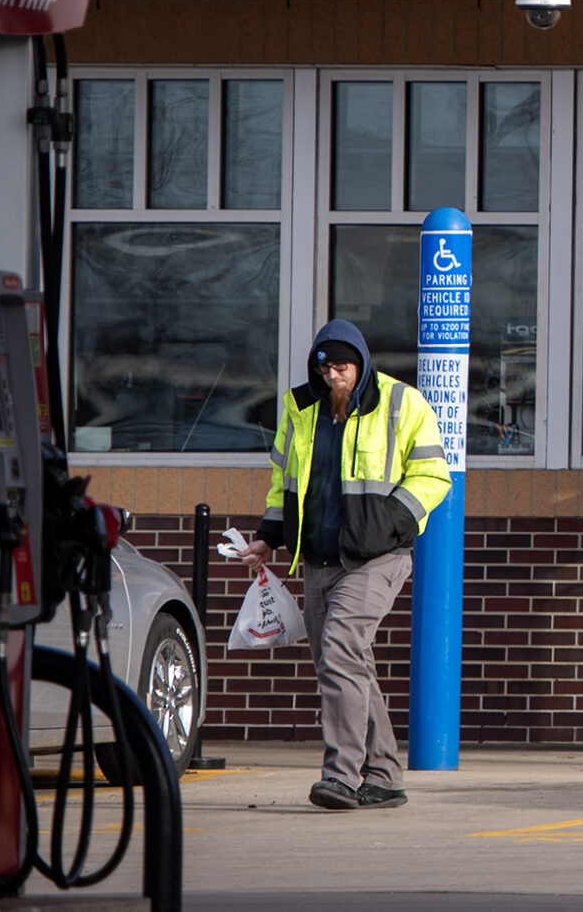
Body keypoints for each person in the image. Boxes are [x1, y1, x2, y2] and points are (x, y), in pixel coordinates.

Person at [242, 321, 451, 812]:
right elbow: (285, 484)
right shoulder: (301, 411)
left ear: (361, 365)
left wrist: (390, 522)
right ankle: (382, 776)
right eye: (326, 367)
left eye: (343, 367)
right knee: (345, 663)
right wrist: (269, 538)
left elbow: (433, 475)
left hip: (378, 557)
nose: (335, 376)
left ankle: (341, 775)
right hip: (319, 558)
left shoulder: (402, 403)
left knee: (339, 649)